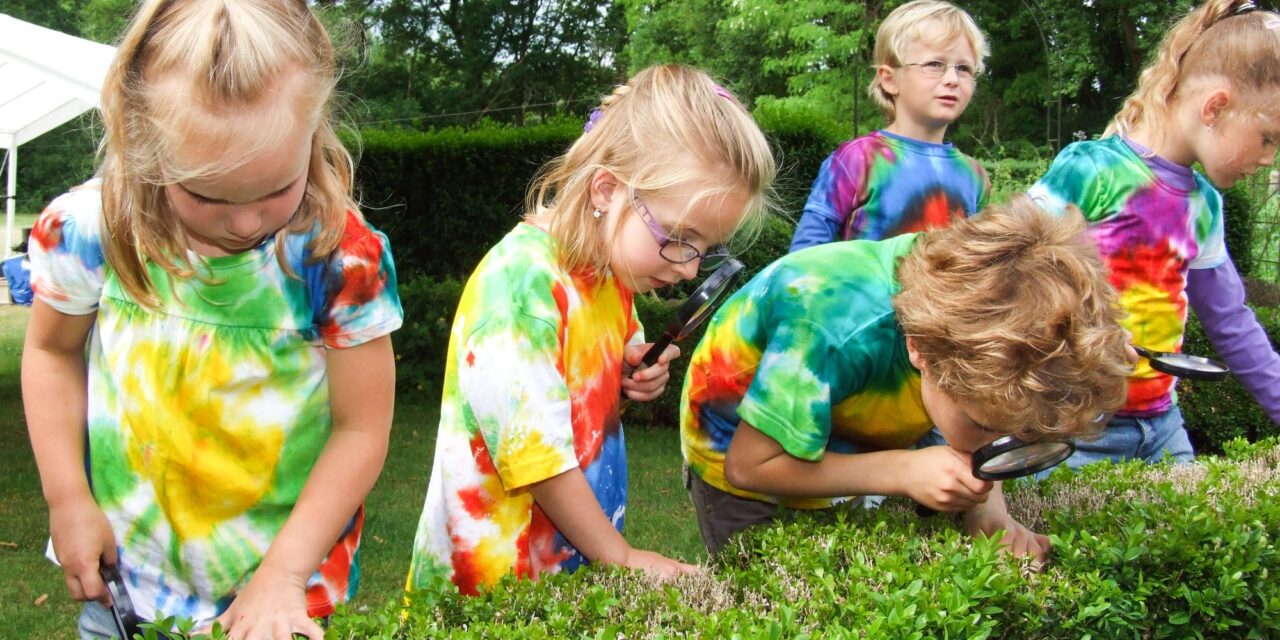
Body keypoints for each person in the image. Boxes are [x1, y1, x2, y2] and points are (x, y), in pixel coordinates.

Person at [22, 1, 402, 638]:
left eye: (277, 188)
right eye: (205, 194)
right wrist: (68, 499)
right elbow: (51, 353)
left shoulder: (336, 257)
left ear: (314, 132)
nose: (247, 222)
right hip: (124, 594)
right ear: (145, 140)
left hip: (275, 602)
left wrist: (281, 575)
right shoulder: (94, 228)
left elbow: (361, 427)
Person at [405, 64, 777, 595]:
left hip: (564, 577)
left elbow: (590, 389)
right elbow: (539, 461)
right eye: (678, 236)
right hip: (488, 590)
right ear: (607, 189)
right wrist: (620, 556)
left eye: (706, 247)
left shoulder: (609, 277)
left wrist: (635, 376)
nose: (691, 268)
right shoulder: (523, 286)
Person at [681, 196, 1132, 559]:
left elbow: (983, 404)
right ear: (919, 349)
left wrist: (987, 505)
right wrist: (901, 470)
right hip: (738, 450)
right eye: (987, 429)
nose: (997, 445)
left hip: (849, 416)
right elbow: (749, 466)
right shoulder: (831, 320)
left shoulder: (970, 308)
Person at [1028, 0, 1280, 469]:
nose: (1269, 159)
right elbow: (1005, 266)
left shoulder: (1204, 205)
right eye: (1269, 137)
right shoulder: (1092, 171)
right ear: (1216, 106)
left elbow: (1232, 322)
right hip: (1075, 431)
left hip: (1164, 428)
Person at [790, 0, 990, 251]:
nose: (952, 79)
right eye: (934, 65)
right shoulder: (857, 160)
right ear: (889, 79)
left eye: (963, 68)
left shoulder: (974, 176)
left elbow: (978, 266)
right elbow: (805, 254)